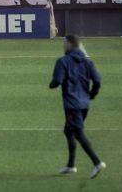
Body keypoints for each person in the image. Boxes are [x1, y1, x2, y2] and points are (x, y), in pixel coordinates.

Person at [50, 35, 106, 179]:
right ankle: (71, 165)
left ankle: (97, 162)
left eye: (64, 43)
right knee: (68, 131)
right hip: (84, 104)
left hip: (72, 105)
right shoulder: (88, 62)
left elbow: (57, 80)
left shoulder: (63, 61)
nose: (63, 45)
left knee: (78, 133)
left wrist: (53, 84)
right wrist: (92, 95)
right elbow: (98, 80)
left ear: (70, 44)